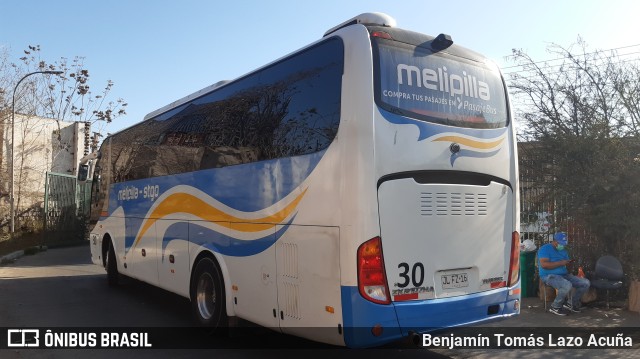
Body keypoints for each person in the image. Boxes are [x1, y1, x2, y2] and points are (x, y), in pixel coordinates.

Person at [538, 232, 591, 316]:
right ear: (555, 241)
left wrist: (570, 264)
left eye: (564, 244)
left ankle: (571, 303)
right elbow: (544, 265)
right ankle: (555, 306)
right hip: (548, 275)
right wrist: (561, 263)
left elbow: (567, 268)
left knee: (585, 283)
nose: (562, 246)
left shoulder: (563, 251)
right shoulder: (545, 249)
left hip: (564, 274)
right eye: (561, 244)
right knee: (566, 285)